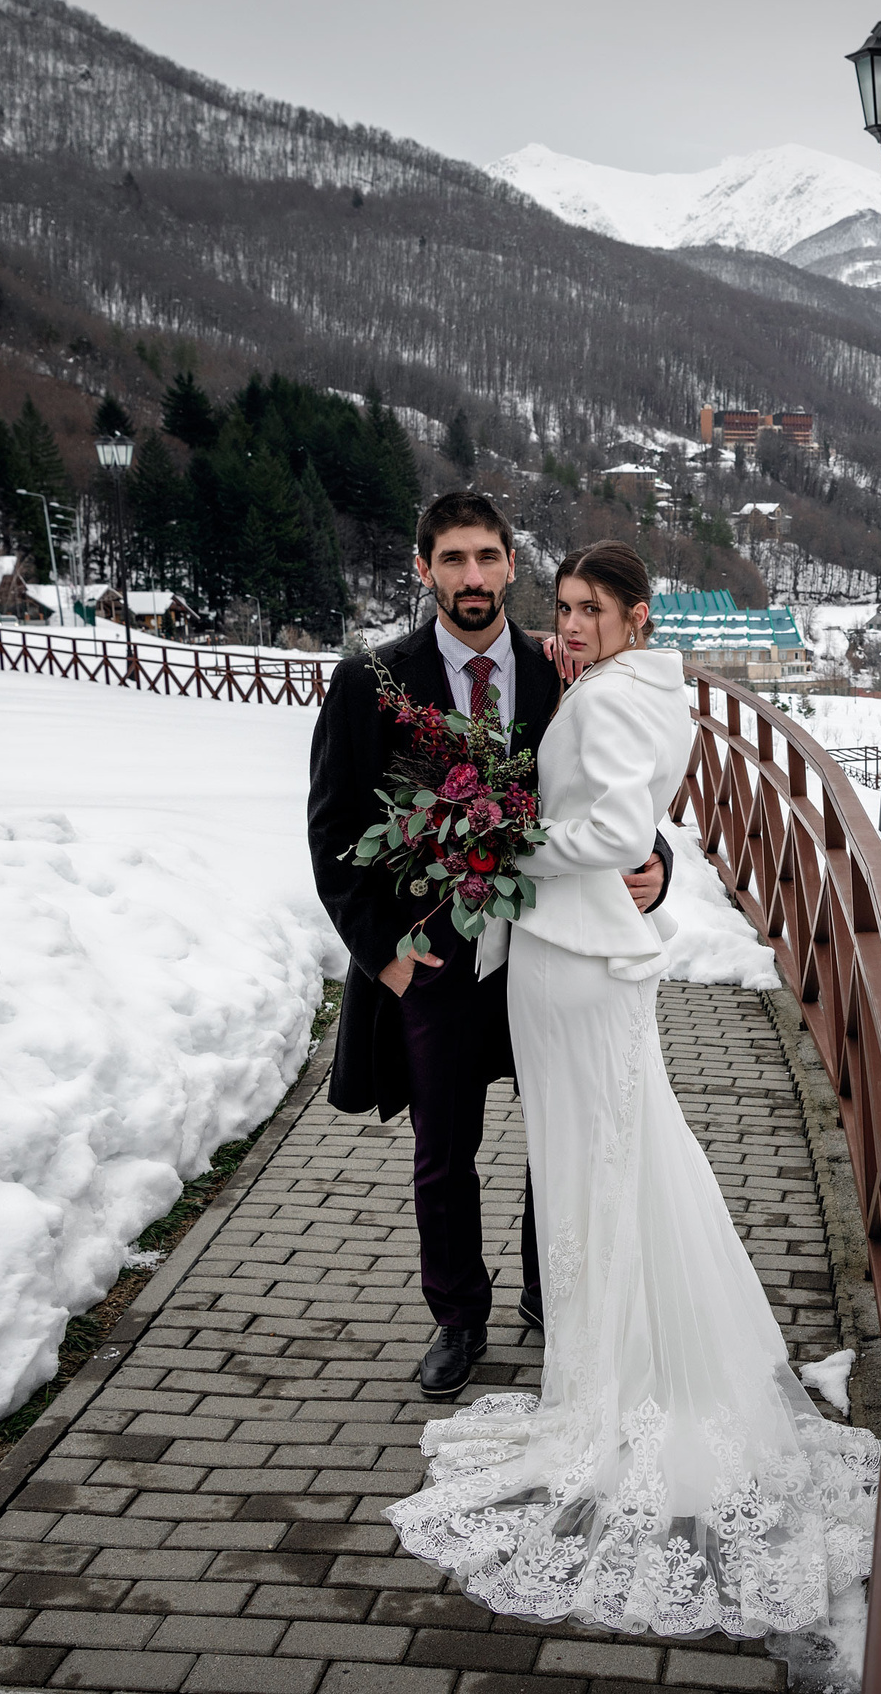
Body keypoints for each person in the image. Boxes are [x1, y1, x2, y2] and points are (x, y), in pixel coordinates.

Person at [386, 541, 879, 1640]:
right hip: (589, 956)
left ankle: (613, 1390)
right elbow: (617, 813)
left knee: (593, 1166)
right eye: (559, 607)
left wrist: (498, 836)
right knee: (618, 1157)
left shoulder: (607, 699)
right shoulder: (646, 690)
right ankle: (614, 1359)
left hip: (570, 953)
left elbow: (610, 829)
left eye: (588, 610)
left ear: (638, 617)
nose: (567, 625)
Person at [308, 493, 671, 1400]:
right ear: (423, 567)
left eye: (489, 558)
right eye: (454, 559)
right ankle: (458, 1316)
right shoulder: (373, 682)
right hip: (435, 961)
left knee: (567, 1129)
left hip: (553, 952)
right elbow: (334, 829)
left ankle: (555, 1295)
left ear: (513, 564)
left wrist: (655, 866)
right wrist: (382, 951)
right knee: (445, 1146)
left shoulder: (567, 671)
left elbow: (621, 795)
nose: (473, 577)